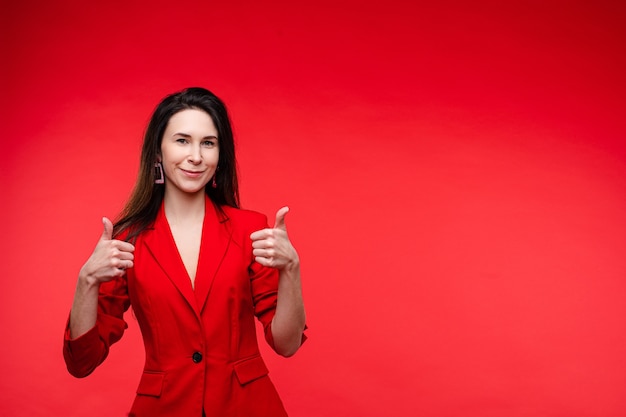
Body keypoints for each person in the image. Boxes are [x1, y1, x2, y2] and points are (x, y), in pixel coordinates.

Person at [63, 87, 307, 417]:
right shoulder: (127, 240)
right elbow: (82, 362)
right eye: (182, 141)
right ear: (158, 152)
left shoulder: (251, 228)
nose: (196, 156)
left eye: (208, 143)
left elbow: (287, 344)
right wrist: (86, 281)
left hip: (248, 407)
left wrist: (291, 269)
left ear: (220, 154)